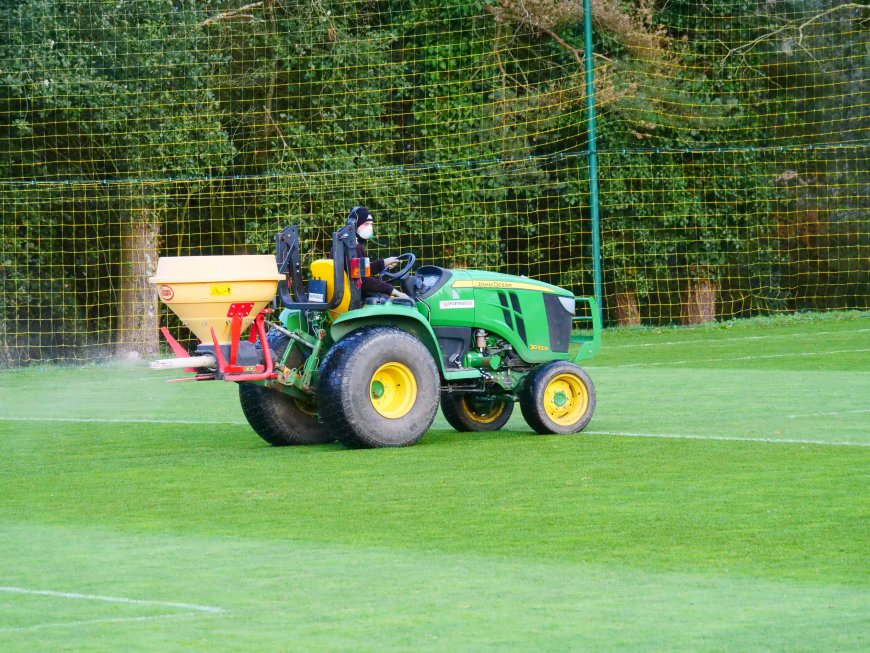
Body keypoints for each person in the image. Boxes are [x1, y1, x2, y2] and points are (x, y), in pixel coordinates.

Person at [342, 206, 410, 301]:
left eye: (371, 224)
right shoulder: (352, 248)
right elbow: (364, 281)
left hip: (355, 295)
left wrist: (385, 262)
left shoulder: (346, 244)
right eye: (366, 224)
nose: (369, 227)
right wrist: (395, 291)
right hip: (357, 299)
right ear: (354, 225)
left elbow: (362, 272)